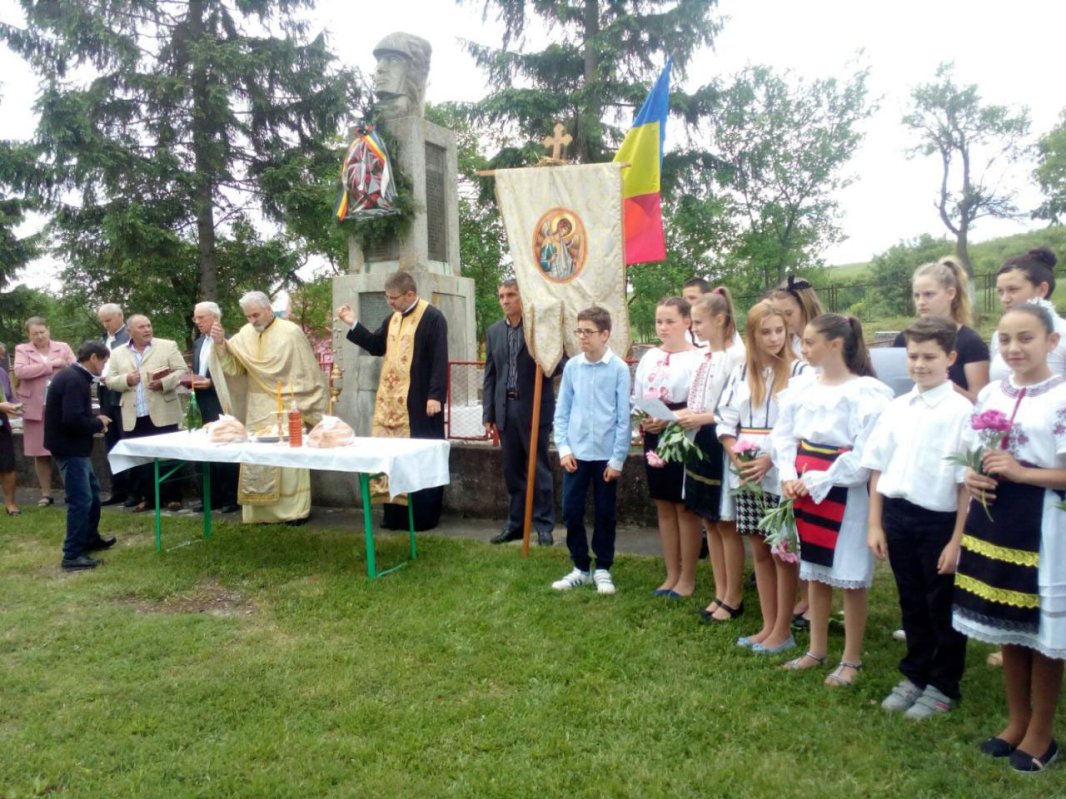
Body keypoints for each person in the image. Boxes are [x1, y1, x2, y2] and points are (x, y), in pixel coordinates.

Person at [954, 304, 1066, 773]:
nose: (1014, 348)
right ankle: (1016, 720)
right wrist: (973, 475)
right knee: (1009, 623)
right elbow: (971, 452)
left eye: (1026, 338)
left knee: (1042, 631)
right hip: (996, 520)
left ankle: (1042, 729)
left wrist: (1022, 471)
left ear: (1052, 343)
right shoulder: (992, 395)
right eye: (1005, 339)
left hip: (1045, 523)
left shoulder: (1061, 397)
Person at [771, 314, 892, 686]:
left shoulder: (866, 392)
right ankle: (816, 648)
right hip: (805, 490)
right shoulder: (803, 387)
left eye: (808, 342)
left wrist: (822, 479)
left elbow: (867, 454)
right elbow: (784, 435)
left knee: (849, 577)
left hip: (843, 492)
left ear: (835, 345)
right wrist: (790, 475)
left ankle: (851, 658)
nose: (802, 349)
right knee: (816, 571)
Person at [864, 317, 971, 719]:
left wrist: (957, 540)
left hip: (940, 522)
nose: (920, 364)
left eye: (930, 356)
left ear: (950, 358)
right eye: (913, 356)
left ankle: (943, 684)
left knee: (941, 605)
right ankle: (915, 673)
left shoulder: (960, 411)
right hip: (899, 515)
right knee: (911, 602)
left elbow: (965, 483)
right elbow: (877, 467)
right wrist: (876, 522)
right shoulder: (897, 407)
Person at [718, 301, 807, 653]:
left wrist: (770, 458)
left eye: (779, 331)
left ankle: (783, 629)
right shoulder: (742, 373)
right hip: (745, 469)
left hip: (780, 470)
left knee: (781, 550)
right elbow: (725, 420)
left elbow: (801, 427)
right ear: (752, 335)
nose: (773, 339)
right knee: (759, 547)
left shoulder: (801, 373)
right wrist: (734, 453)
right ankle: (768, 625)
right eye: (765, 332)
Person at [338, 271, 448, 531]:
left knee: (419, 456)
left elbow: (439, 359)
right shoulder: (393, 318)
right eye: (388, 298)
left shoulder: (432, 317)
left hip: (420, 403)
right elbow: (377, 346)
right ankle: (395, 516)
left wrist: (435, 395)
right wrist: (353, 323)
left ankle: (423, 517)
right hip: (390, 405)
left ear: (410, 294)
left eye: (393, 298)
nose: (390, 303)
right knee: (391, 458)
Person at [211, 291, 326, 525]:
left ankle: (293, 512)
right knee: (257, 456)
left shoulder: (291, 332)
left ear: (268, 309)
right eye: (248, 316)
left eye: (255, 315)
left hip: (286, 404)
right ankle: (259, 513)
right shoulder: (244, 334)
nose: (252, 321)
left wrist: (302, 399)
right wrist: (221, 344)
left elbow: (306, 371)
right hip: (257, 404)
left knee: (287, 456)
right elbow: (235, 369)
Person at [675, 289, 746, 622]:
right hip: (700, 438)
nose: (695, 328)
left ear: (720, 320)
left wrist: (701, 416)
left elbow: (736, 410)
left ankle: (734, 595)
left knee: (725, 522)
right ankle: (720, 590)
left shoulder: (736, 356)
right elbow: (700, 398)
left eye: (699, 322)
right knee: (709, 520)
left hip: (720, 441)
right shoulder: (706, 356)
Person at [551, 306, 631, 594]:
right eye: (579, 331)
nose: (582, 337)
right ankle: (580, 566)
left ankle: (604, 568)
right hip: (577, 454)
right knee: (571, 511)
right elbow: (562, 412)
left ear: (605, 334)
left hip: (606, 456)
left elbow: (624, 417)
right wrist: (564, 448)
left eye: (588, 331)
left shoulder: (619, 369)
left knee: (605, 514)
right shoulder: (573, 367)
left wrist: (618, 458)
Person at [633, 296, 703, 597]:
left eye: (670, 321)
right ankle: (671, 573)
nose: (663, 327)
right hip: (655, 433)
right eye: (659, 321)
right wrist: (646, 419)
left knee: (685, 507)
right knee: (663, 504)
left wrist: (671, 420)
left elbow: (701, 401)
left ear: (687, 322)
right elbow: (639, 393)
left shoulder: (699, 357)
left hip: (685, 433)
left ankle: (687, 577)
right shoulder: (649, 357)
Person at [482, 279, 556, 546]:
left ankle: (544, 525)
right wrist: (487, 413)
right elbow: (490, 375)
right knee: (512, 471)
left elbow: (556, 365)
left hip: (534, 408)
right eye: (501, 296)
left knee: (538, 468)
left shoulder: (538, 330)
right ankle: (514, 524)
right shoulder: (494, 332)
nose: (505, 300)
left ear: (522, 298)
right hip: (505, 409)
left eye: (511, 295)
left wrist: (546, 358)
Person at [104, 314, 188, 512]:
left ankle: (172, 497)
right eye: (141, 327)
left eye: (149, 325)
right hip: (133, 415)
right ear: (129, 331)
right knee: (142, 460)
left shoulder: (167, 346)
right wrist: (126, 380)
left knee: (168, 456)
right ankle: (148, 497)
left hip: (163, 411)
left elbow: (182, 371)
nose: (147, 330)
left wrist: (163, 383)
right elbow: (109, 380)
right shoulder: (117, 353)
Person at [43, 341, 116, 571]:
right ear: (94, 357)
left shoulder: (73, 376)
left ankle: (89, 539)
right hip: (70, 448)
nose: (104, 366)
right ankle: (72, 555)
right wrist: (98, 422)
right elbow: (71, 418)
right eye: (103, 361)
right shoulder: (74, 380)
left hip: (75, 447)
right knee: (81, 500)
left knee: (93, 495)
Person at [892, 256, 989, 403]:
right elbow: (896, 387)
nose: (921, 302)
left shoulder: (970, 342)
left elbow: (980, 402)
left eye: (929, 294)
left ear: (951, 293)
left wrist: (941, 383)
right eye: (917, 295)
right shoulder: (904, 338)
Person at [13, 316, 76, 507]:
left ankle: (71, 492)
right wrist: (52, 365)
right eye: (34, 334)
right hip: (34, 407)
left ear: (48, 330)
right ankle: (46, 494)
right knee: (40, 452)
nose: (39, 336)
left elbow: (74, 367)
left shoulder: (63, 347)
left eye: (42, 332)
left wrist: (56, 365)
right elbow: (21, 372)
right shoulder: (22, 349)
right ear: (28, 334)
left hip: (60, 405)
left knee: (65, 450)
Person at [189, 301, 239, 514]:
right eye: (195, 318)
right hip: (202, 401)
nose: (197, 322)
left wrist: (212, 382)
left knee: (224, 448)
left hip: (222, 400)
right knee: (205, 448)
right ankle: (211, 497)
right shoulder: (199, 343)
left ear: (215, 318)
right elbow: (198, 369)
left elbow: (235, 372)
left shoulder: (229, 341)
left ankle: (230, 498)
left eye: (201, 318)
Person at [989, 247, 1066, 380]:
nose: (1005, 299)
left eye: (1013, 289)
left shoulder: (1063, 333)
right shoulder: (998, 336)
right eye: (1000, 292)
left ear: (1042, 290)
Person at [96, 303, 131, 505]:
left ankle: (134, 491)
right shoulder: (103, 340)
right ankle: (117, 489)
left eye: (108, 320)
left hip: (123, 395)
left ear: (120, 316)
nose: (105, 324)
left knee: (127, 440)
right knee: (112, 442)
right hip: (105, 395)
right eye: (103, 321)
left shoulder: (129, 337)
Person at [372, 32, 431, 120]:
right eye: (379, 61)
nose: (379, 69)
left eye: (393, 60)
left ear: (415, 70)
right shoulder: (370, 120)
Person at [770, 275, 825, 360]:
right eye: (778, 314)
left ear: (806, 307)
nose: (783, 320)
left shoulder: (827, 340)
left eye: (788, 313)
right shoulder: (781, 344)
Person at [0, 342, 21, 516]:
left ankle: (11, 504)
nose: (2, 358)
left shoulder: (2, 374)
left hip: (2, 426)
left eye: (3, 354)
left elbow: (9, 398)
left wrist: (18, 406)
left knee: (7, 465)